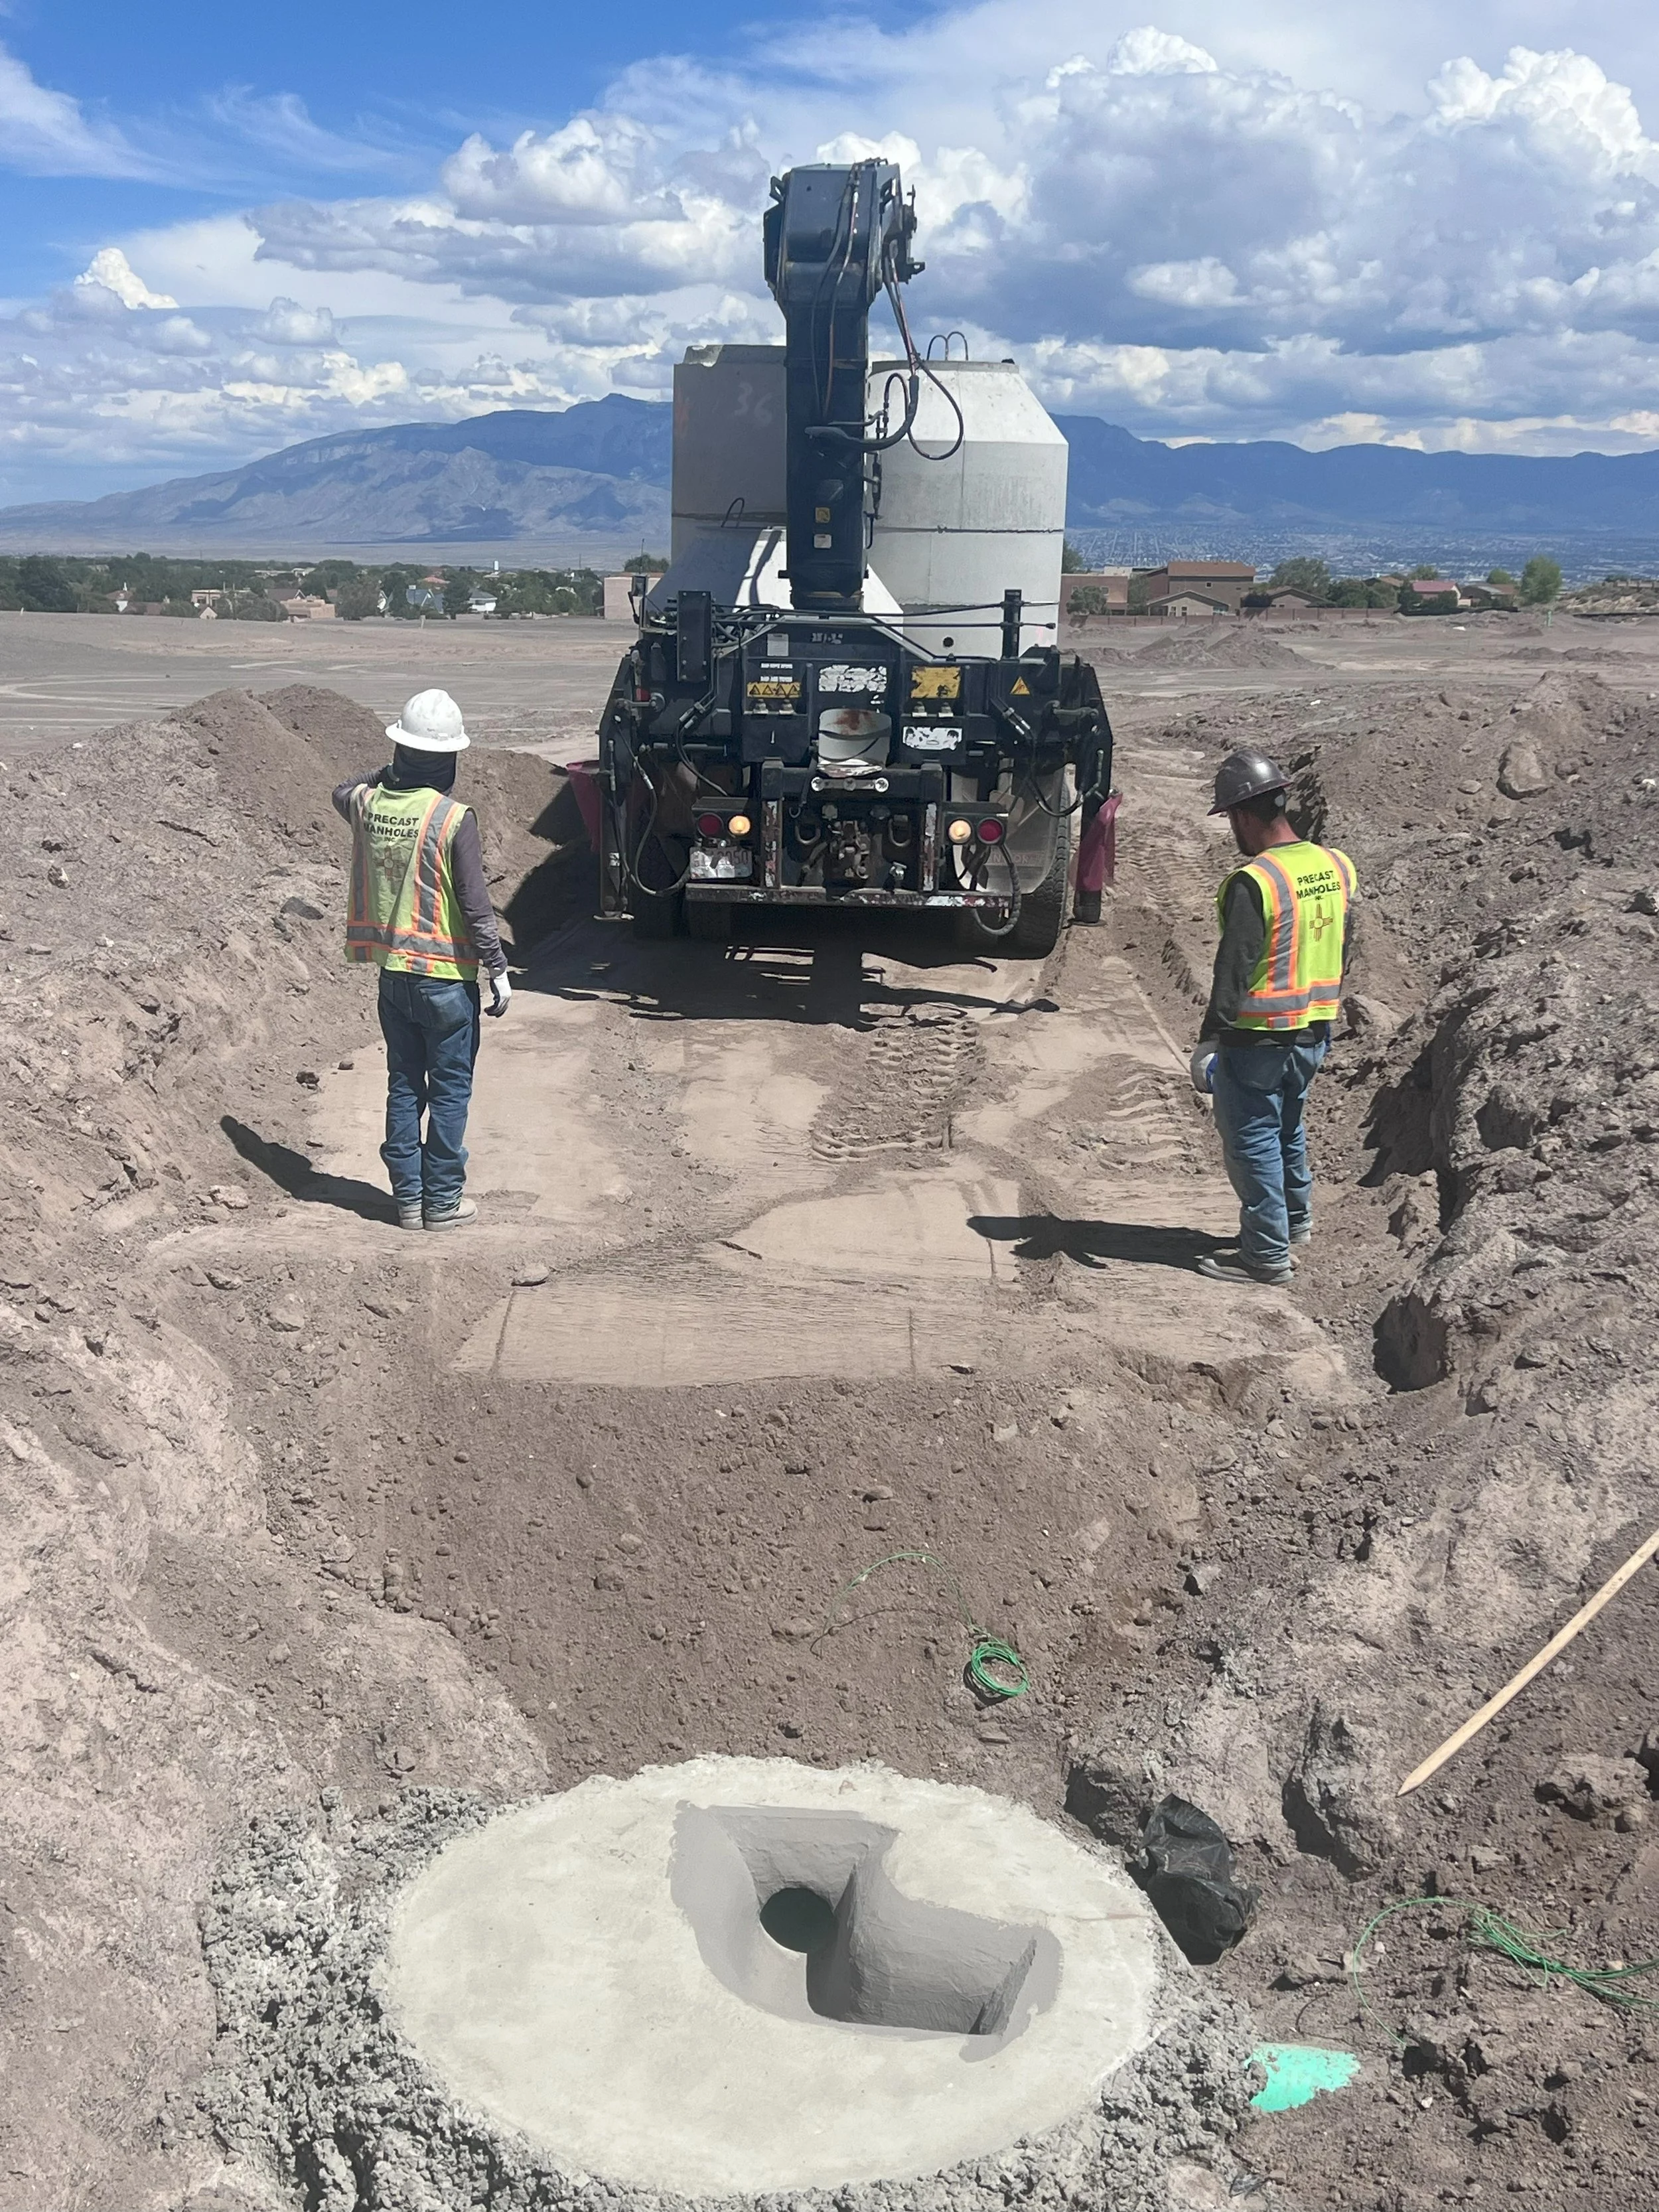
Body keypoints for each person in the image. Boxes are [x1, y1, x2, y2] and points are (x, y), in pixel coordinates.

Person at [334, 689, 512, 1232]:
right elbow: (477, 905)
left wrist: (390, 771)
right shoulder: (453, 817)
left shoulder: (370, 805)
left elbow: (342, 789)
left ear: (401, 750)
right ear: (450, 759)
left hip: (394, 977)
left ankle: (408, 1201)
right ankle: (442, 1202)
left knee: (405, 1083)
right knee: (450, 1090)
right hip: (446, 983)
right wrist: (498, 968)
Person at [1189, 750, 1354, 1286]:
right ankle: (1295, 1223)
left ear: (1242, 815)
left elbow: (1234, 967)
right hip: (1314, 1028)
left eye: (1230, 818)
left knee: (1252, 1139)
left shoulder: (1255, 880)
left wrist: (1210, 1040)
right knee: (1287, 1128)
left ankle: (1264, 1254)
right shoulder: (1335, 865)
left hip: (1257, 1037)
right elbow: (1340, 942)